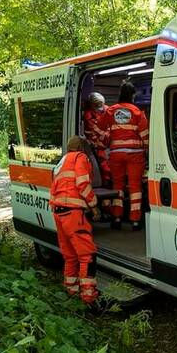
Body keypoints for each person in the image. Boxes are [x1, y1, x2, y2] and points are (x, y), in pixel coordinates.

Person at [49, 136, 101, 304]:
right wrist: (94, 205)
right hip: (73, 214)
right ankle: (88, 296)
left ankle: (71, 291)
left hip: (58, 212)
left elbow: (55, 185)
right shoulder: (81, 158)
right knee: (88, 255)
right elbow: (82, 184)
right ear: (81, 147)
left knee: (70, 255)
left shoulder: (62, 161)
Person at [98, 80, 149, 231]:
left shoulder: (110, 110)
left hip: (116, 154)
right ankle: (135, 221)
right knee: (135, 187)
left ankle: (117, 218)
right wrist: (147, 150)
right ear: (132, 95)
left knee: (117, 186)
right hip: (135, 155)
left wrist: (105, 141)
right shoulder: (137, 112)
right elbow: (145, 135)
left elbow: (100, 128)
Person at [83, 92, 111, 185]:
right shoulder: (88, 115)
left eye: (101, 105)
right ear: (92, 105)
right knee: (103, 165)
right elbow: (95, 130)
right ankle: (106, 183)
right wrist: (105, 137)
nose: (100, 108)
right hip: (98, 146)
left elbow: (111, 125)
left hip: (109, 144)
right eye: (97, 105)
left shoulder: (107, 110)